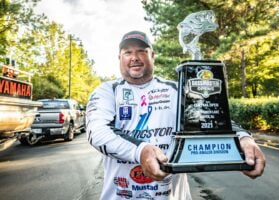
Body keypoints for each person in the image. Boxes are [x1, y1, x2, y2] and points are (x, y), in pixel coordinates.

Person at [86, 30, 266, 200]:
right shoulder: (107, 91)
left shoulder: (175, 89)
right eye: (127, 52)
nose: (134, 57)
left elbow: (211, 116)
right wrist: (140, 151)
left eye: (141, 51)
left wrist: (243, 138)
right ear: (119, 57)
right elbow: (97, 132)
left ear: (152, 56)